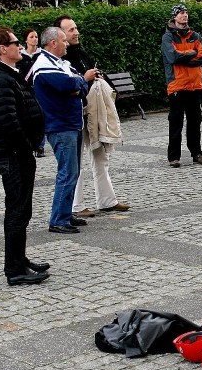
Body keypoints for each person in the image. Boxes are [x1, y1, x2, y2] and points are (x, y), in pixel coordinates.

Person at [0, 27, 48, 286]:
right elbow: (7, 121)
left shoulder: (8, 73)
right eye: (15, 43)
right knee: (17, 210)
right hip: (13, 153)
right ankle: (14, 269)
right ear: (2, 49)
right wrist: (26, 145)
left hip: (19, 151)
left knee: (22, 209)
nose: (20, 47)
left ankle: (19, 260)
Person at [55, 15, 131, 217]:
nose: (75, 32)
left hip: (92, 112)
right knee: (75, 161)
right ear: (60, 34)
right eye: (70, 30)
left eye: (75, 28)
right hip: (74, 114)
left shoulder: (81, 52)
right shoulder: (59, 60)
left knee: (100, 155)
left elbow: (95, 75)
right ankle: (76, 206)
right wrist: (85, 78)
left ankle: (107, 200)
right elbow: (67, 85)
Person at [29, 26, 88, 234]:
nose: (67, 44)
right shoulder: (44, 64)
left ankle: (65, 212)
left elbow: (80, 84)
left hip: (72, 123)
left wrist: (78, 84)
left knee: (73, 171)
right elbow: (67, 85)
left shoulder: (61, 62)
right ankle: (58, 219)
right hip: (60, 125)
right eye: (63, 40)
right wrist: (79, 83)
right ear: (53, 43)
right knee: (67, 172)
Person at [161, 3, 202, 169]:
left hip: (194, 85)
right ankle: (174, 157)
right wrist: (191, 53)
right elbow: (172, 57)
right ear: (175, 17)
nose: (185, 15)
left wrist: (185, 57)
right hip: (177, 85)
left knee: (195, 121)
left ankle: (197, 153)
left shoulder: (195, 35)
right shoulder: (168, 37)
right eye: (181, 13)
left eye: (186, 13)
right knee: (175, 122)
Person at [18, 28, 46, 158]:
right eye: (31, 37)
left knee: (40, 116)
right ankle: (30, 142)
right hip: (26, 89)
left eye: (36, 37)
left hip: (40, 88)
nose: (35, 39)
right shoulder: (20, 56)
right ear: (26, 40)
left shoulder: (42, 55)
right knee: (29, 116)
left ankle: (40, 146)